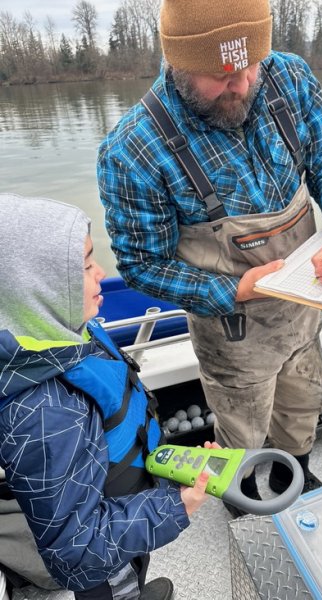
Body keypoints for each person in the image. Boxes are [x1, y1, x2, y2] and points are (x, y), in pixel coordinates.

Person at [97, 0, 322, 517]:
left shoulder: (289, 77)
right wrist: (234, 290)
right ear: (178, 62)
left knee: (304, 404)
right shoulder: (133, 150)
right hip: (232, 334)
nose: (243, 84)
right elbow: (141, 265)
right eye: (221, 74)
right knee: (240, 431)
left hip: (304, 313)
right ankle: (242, 506)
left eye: (251, 65)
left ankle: (294, 477)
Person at [0, 193, 215, 600]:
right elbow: (77, 553)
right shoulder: (46, 412)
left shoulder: (57, 334)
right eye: (84, 265)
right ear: (39, 288)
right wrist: (178, 505)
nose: (101, 272)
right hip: (100, 566)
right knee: (116, 588)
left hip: (118, 504)